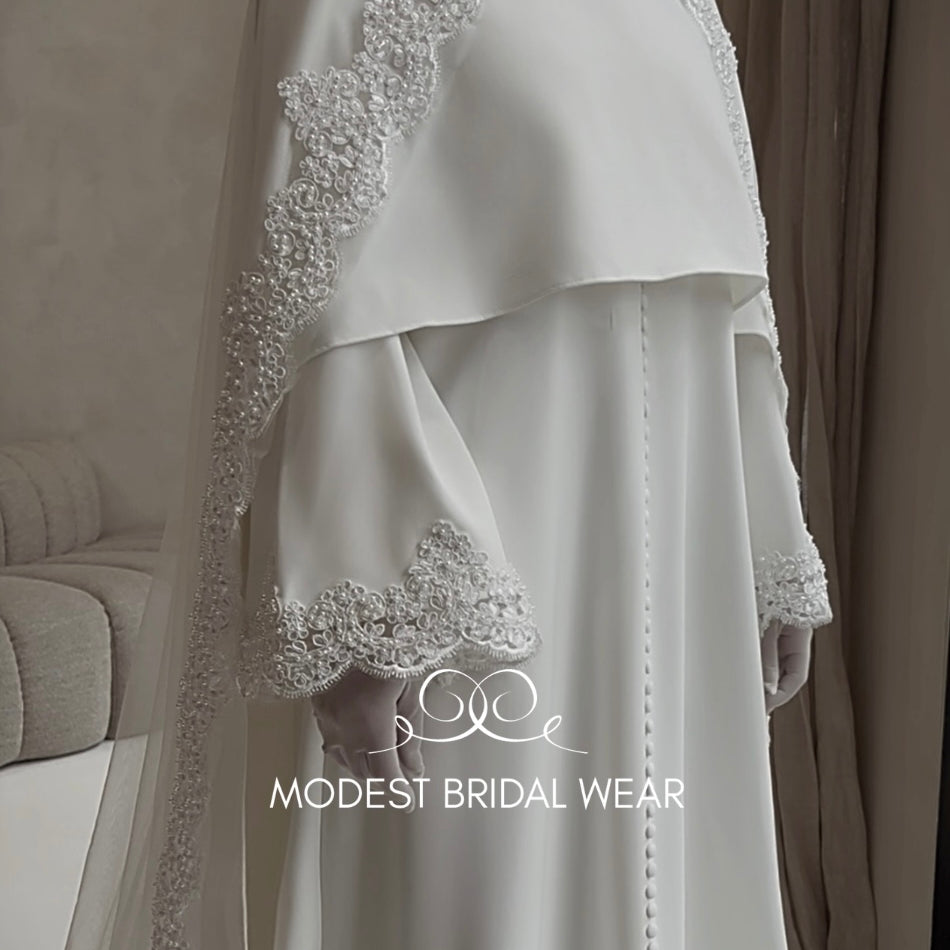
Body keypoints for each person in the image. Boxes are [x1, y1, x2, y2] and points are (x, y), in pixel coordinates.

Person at [66, 1, 833, 948]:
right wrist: (367, 598)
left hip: (681, 591)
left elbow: (734, 309)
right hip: (471, 588)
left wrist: (770, 538)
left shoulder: (682, 8)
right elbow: (318, 303)